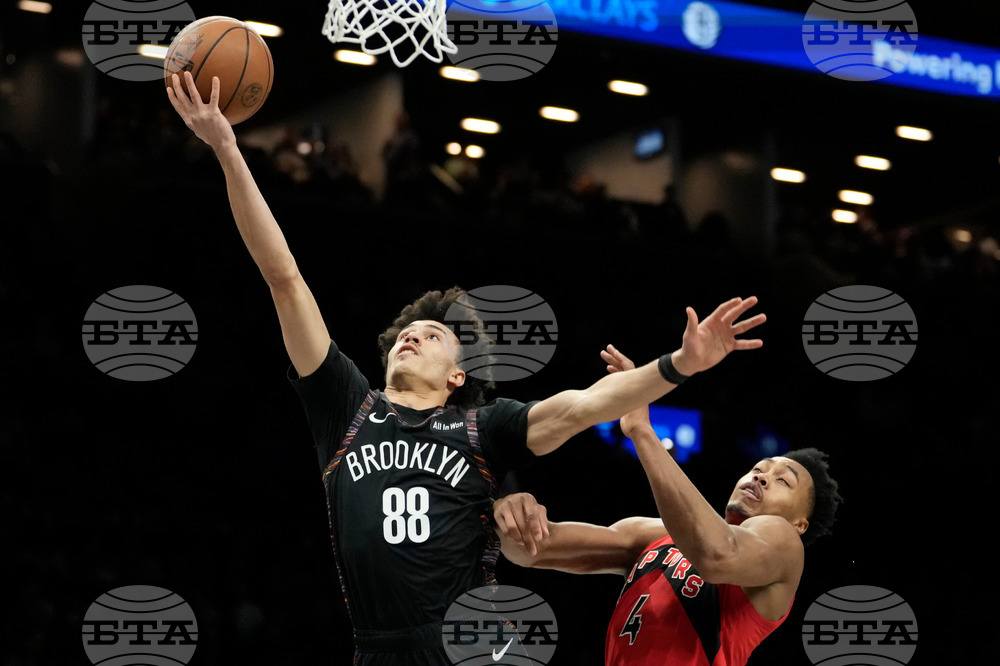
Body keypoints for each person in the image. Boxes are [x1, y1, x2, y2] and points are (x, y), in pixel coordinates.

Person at [165, 71, 767, 665]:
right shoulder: (345, 406)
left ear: (458, 376)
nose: (412, 337)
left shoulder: (484, 426)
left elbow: (583, 406)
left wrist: (680, 363)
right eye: (406, 332)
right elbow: (284, 276)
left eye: (431, 335)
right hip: (375, 650)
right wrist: (227, 149)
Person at [495, 346, 842, 666]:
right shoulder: (652, 535)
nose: (762, 477)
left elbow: (716, 554)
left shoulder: (785, 545)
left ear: (800, 523)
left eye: (783, 480)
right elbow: (533, 549)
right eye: (758, 468)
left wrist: (641, 432)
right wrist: (512, 514)